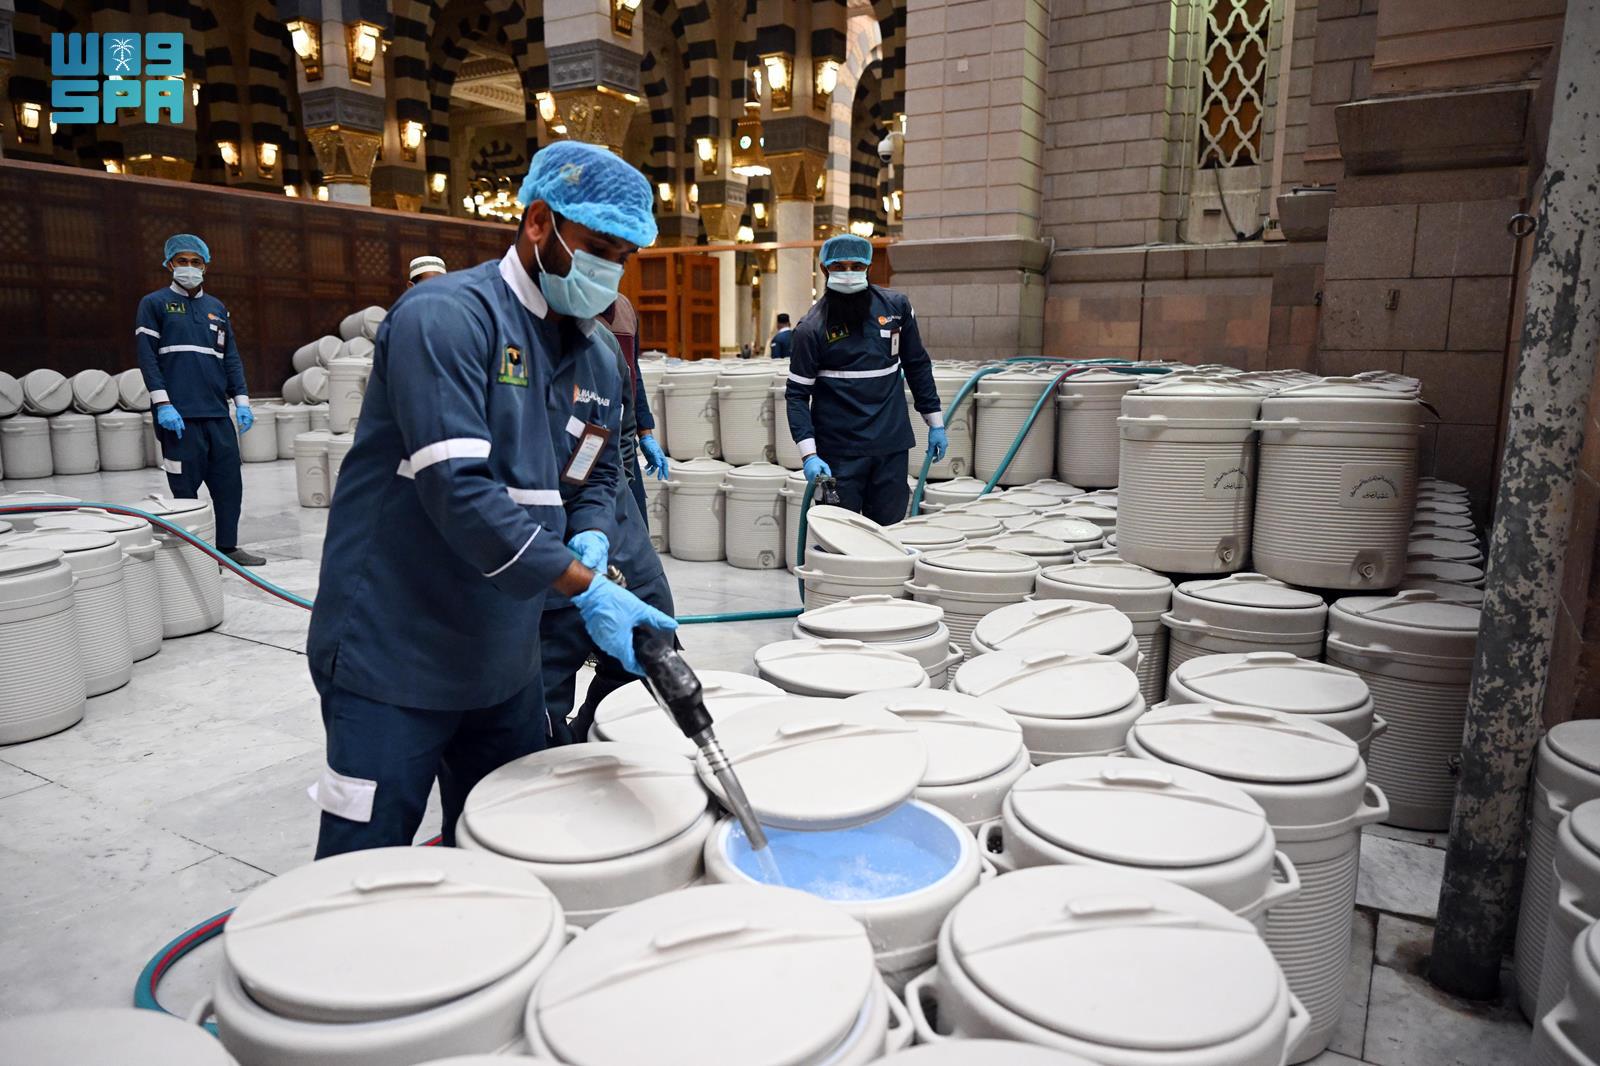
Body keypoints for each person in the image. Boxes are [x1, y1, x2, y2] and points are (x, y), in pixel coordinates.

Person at [304, 141, 677, 858]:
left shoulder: (598, 355)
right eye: (598, 248)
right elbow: (458, 493)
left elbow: (594, 472)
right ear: (539, 222)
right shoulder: (445, 319)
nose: (609, 271)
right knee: (362, 862)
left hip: (505, 660)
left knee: (503, 847)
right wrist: (584, 587)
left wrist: (592, 534)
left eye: (622, 257)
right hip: (395, 650)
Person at [540, 315, 675, 744]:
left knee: (652, 633)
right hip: (532, 525)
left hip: (605, 508)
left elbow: (609, 443)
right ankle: (554, 751)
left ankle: (593, 730)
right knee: (545, 669)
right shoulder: (494, 340)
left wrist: (596, 526)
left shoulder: (602, 348)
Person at [784, 234, 946, 526]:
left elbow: (917, 364)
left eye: (856, 265)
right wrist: (808, 455)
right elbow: (797, 395)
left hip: (890, 447)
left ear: (869, 266)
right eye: (840, 266)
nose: (848, 273)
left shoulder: (895, 309)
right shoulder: (811, 328)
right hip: (840, 454)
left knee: (889, 533)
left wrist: (936, 423)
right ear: (824, 269)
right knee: (841, 539)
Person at [135, 233, 265, 567]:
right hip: (179, 417)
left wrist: (243, 400)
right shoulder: (154, 304)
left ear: (206, 265)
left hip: (217, 415)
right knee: (184, 491)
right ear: (169, 264)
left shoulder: (217, 308)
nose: (189, 268)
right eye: (182, 261)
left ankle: (227, 548)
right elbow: (148, 358)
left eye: (196, 262)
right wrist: (163, 404)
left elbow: (231, 358)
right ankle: (194, 554)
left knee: (228, 485)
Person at [600, 293, 669, 520]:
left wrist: (645, 433)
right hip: (589, 434)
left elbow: (633, 374)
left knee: (636, 529)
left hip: (625, 438)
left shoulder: (626, 308)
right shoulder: (573, 310)